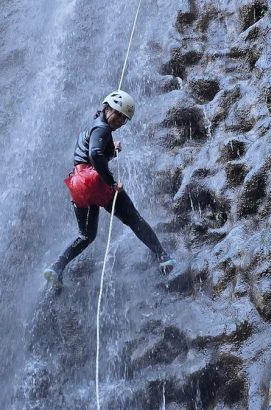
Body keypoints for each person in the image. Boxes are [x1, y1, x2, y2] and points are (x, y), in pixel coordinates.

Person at [44, 90, 175, 287]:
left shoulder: (92, 130)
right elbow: (96, 156)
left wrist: (111, 151)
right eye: (118, 113)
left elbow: (91, 155)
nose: (120, 120)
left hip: (77, 184)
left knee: (86, 235)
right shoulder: (102, 130)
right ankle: (162, 255)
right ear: (106, 108)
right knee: (133, 218)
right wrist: (112, 183)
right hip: (94, 181)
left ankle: (57, 266)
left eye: (124, 118)